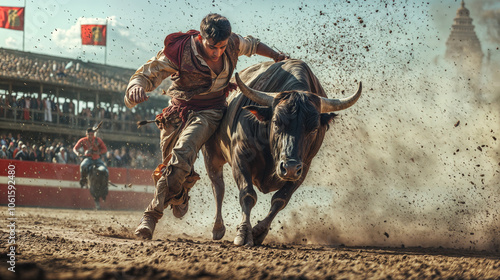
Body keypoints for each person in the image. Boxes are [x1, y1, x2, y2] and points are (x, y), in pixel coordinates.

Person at [125, 13, 289, 239]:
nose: (218, 52)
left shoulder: (231, 43)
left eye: (222, 47)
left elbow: (252, 44)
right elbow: (147, 73)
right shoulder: (180, 51)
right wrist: (135, 87)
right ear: (201, 37)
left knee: (182, 154)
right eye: (213, 46)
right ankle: (179, 195)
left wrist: (275, 55)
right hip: (177, 113)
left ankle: (150, 216)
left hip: (210, 113)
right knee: (171, 167)